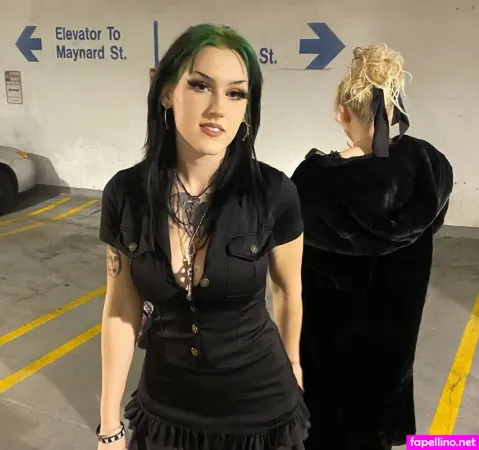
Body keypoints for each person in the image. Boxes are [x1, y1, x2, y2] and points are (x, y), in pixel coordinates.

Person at [96, 24, 310, 450]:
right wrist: (109, 424)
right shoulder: (125, 193)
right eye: (200, 86)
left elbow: (288, 291)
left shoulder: (273, 193)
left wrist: (294, 363)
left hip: (259, 406)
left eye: (236, 93)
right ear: (166, 93)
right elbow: (121, 308)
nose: (217, 108)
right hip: (166, 404)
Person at [291, 44, 453, 450]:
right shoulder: (427, 170)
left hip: (325, 373)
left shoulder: (314, 182)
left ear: (342, 112)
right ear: (394, 112)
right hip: (390, 369)